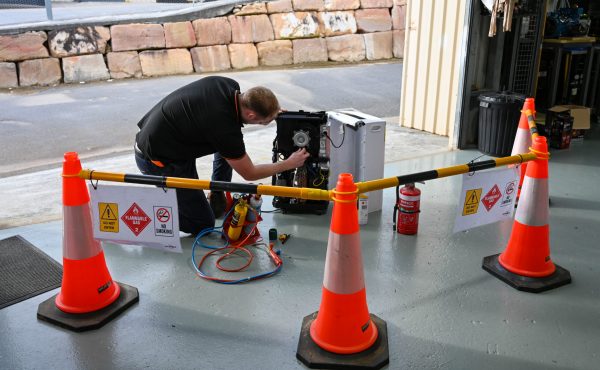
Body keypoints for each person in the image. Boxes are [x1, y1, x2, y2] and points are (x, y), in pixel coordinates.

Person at [134, 76, 309, 235]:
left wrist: (273, 111)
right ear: (250, 114)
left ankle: (217, 192)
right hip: (158, 160)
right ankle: (141, 214)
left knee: (229, 150)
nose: (266, 123)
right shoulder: (223, 126)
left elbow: (228, 140)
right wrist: (288, 163)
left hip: (170, 141)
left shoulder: (228, 85)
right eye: (264, 121)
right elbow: (250, 173)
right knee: (202, 224)